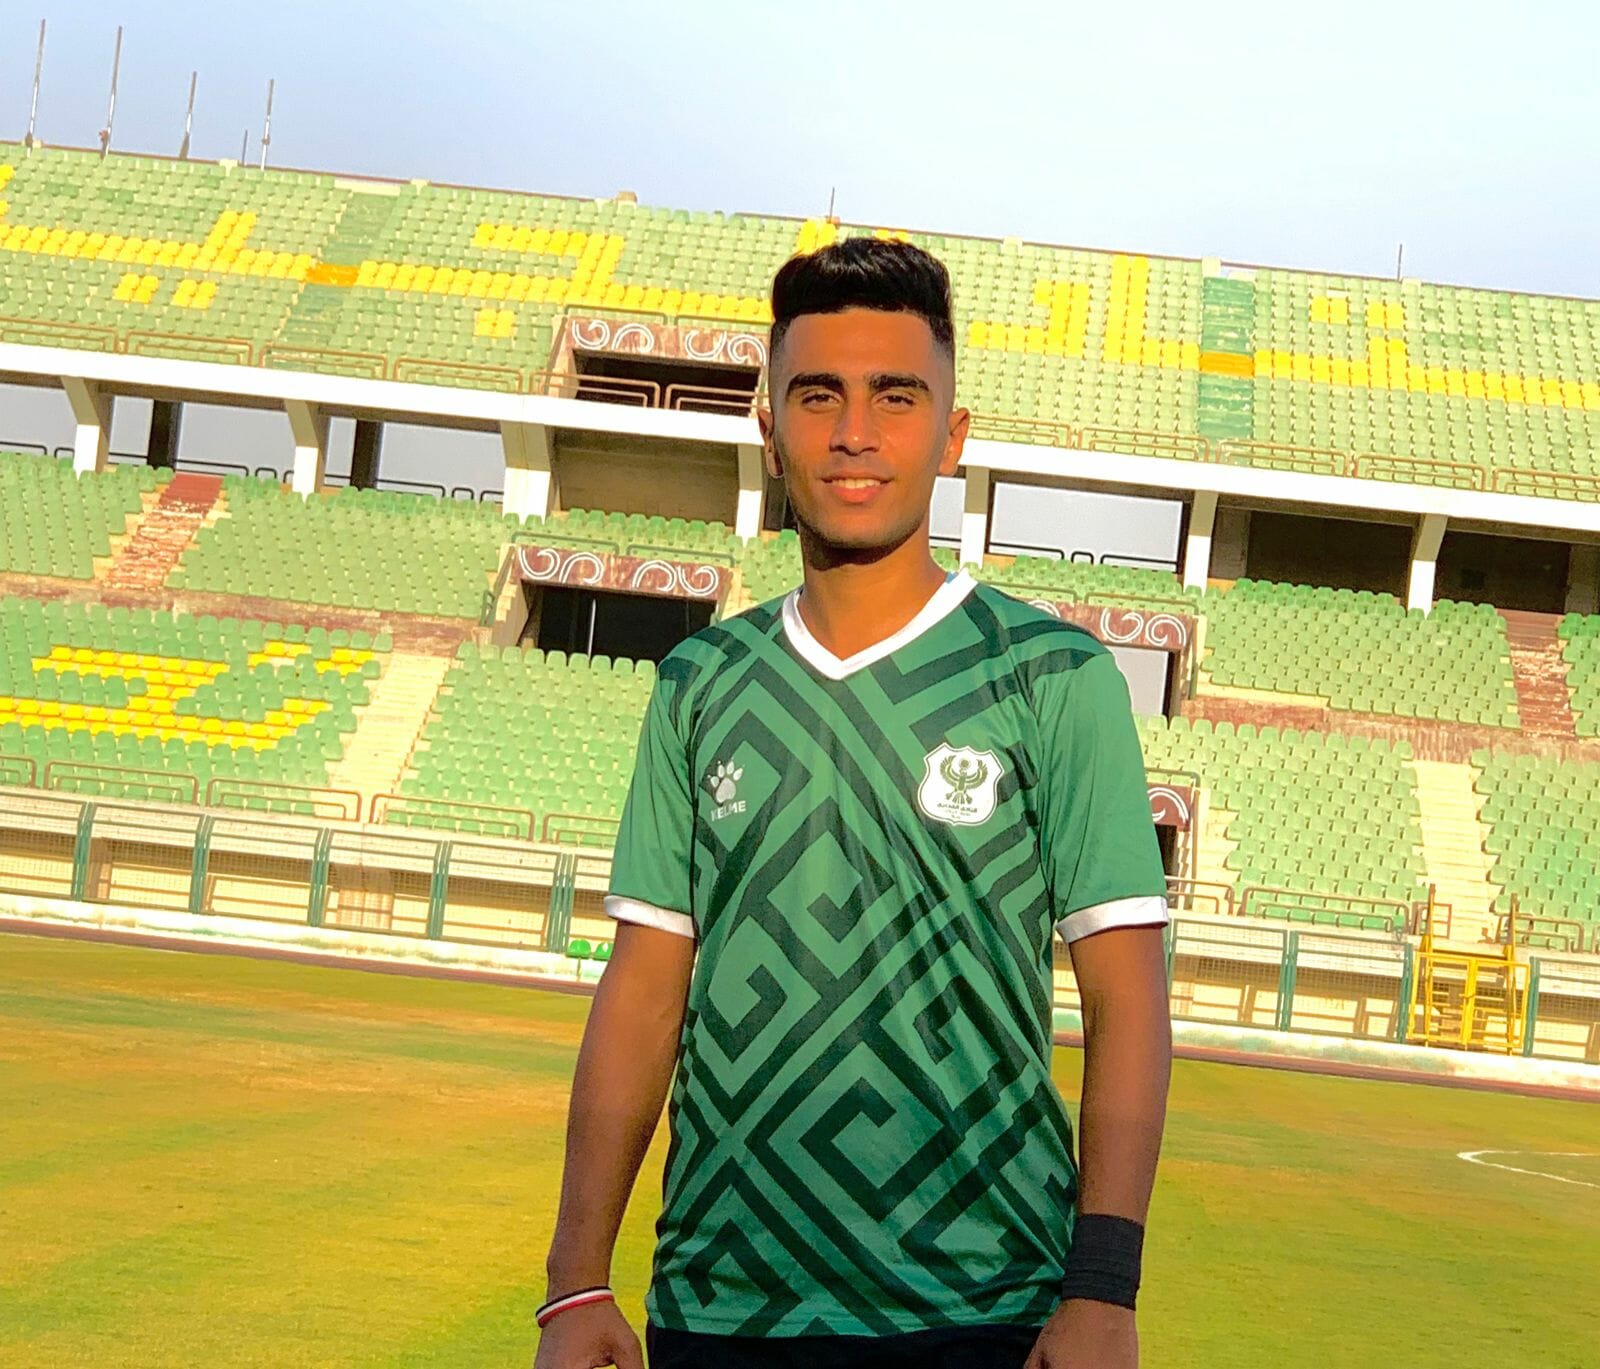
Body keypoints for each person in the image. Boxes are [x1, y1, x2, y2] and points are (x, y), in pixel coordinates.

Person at [535, 237, 1172, 1369]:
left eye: (896, 396)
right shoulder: (700, 682)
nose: (855, 432)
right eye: (818, 394)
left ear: (952, 435)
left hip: (983, 1304)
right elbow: (642, 990)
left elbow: (1127, 999)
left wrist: (1105, 1288)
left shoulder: (1053, 677)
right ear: (769, 428)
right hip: (722, 1304)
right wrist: (575, 1279)